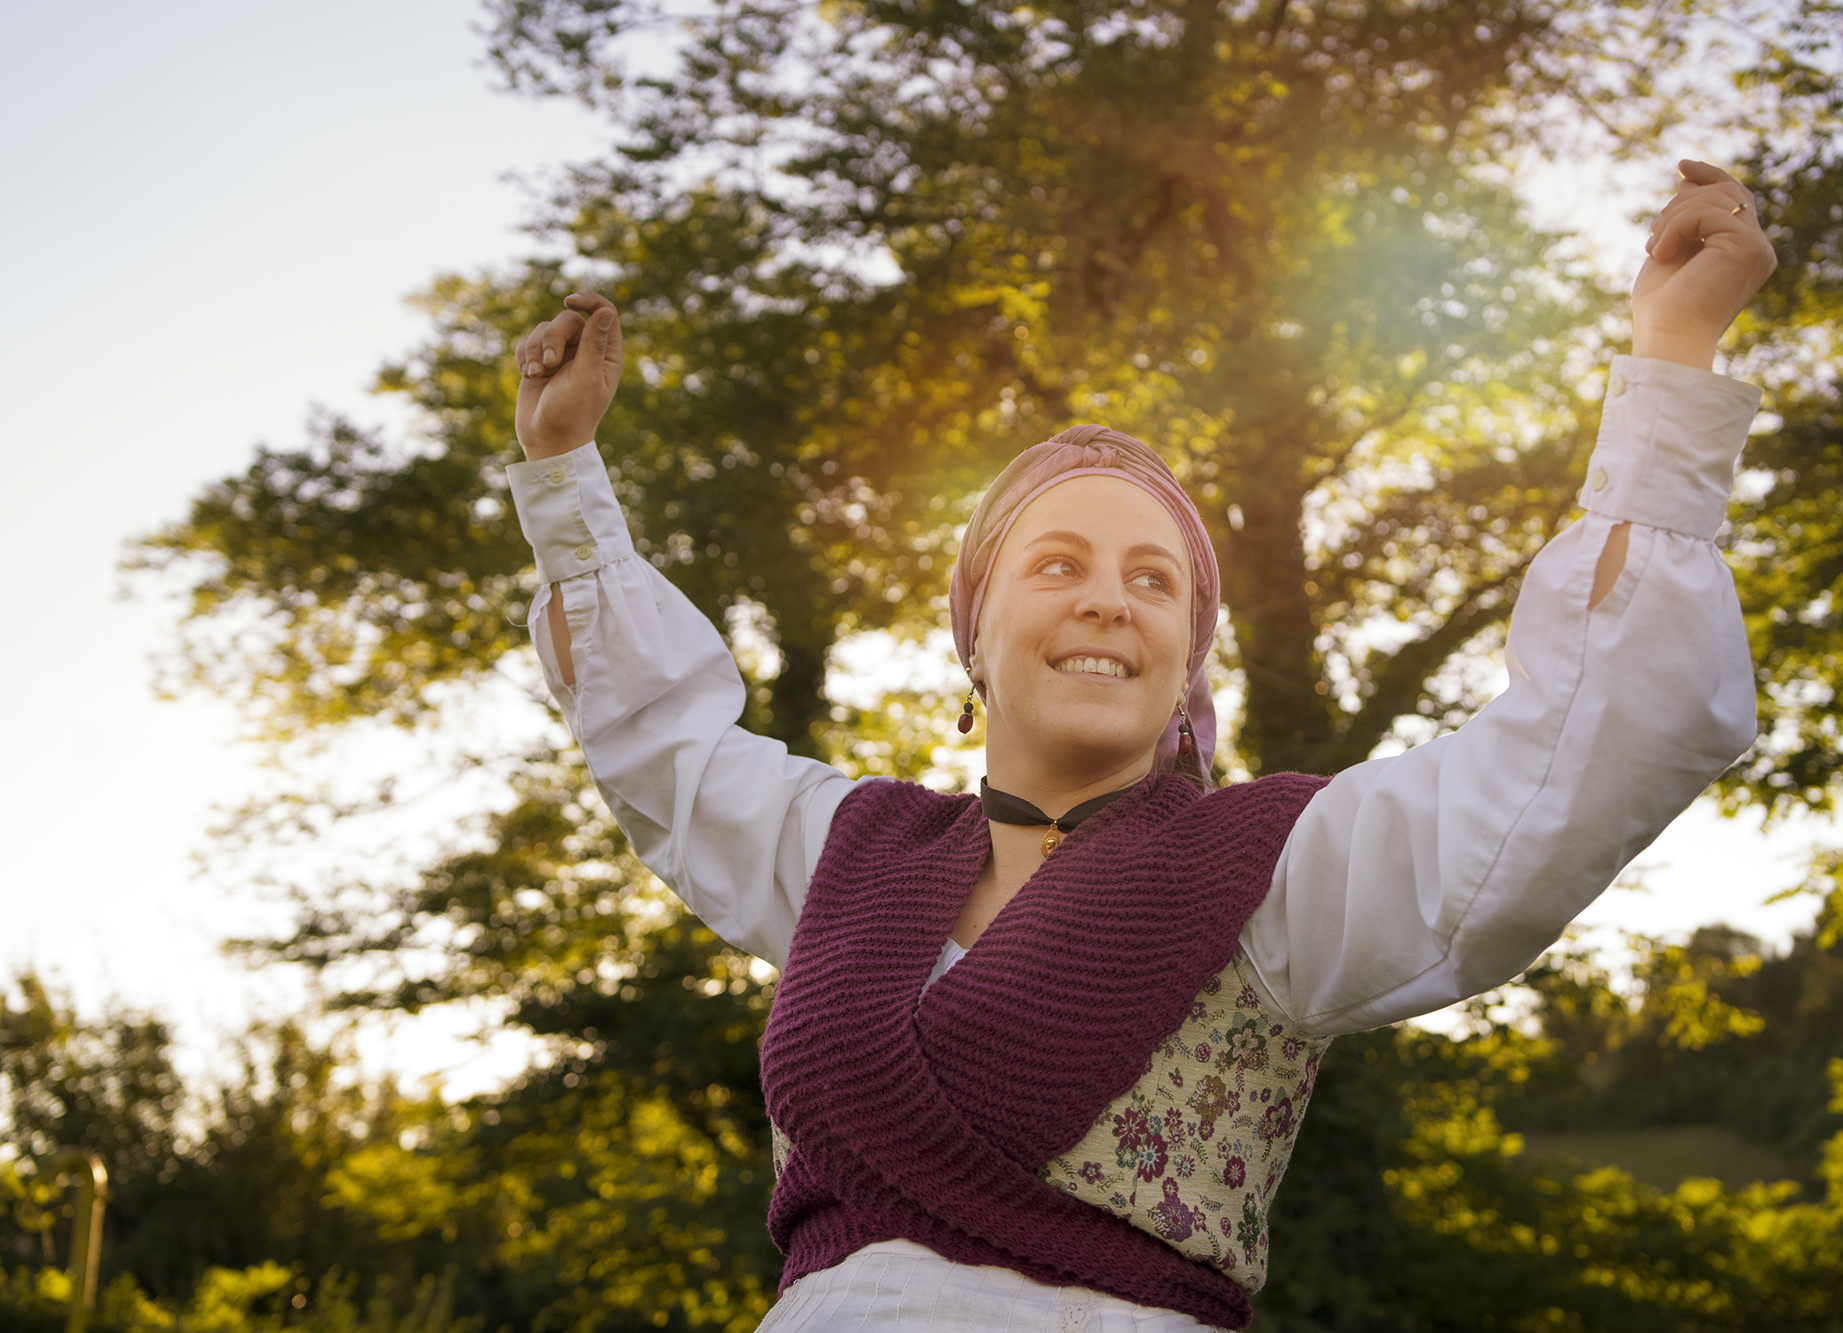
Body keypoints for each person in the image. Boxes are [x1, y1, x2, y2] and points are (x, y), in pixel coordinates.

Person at [502, 160, 1778, 1331]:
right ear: (975, 628)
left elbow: (1579, 751)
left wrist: (1667, 361)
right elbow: (663, 748)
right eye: (1057, 564)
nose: (1108, 599)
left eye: (1153, 580)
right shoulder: (848, 852)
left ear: (1183, 665)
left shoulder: (1276, 871)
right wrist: (563, 472)